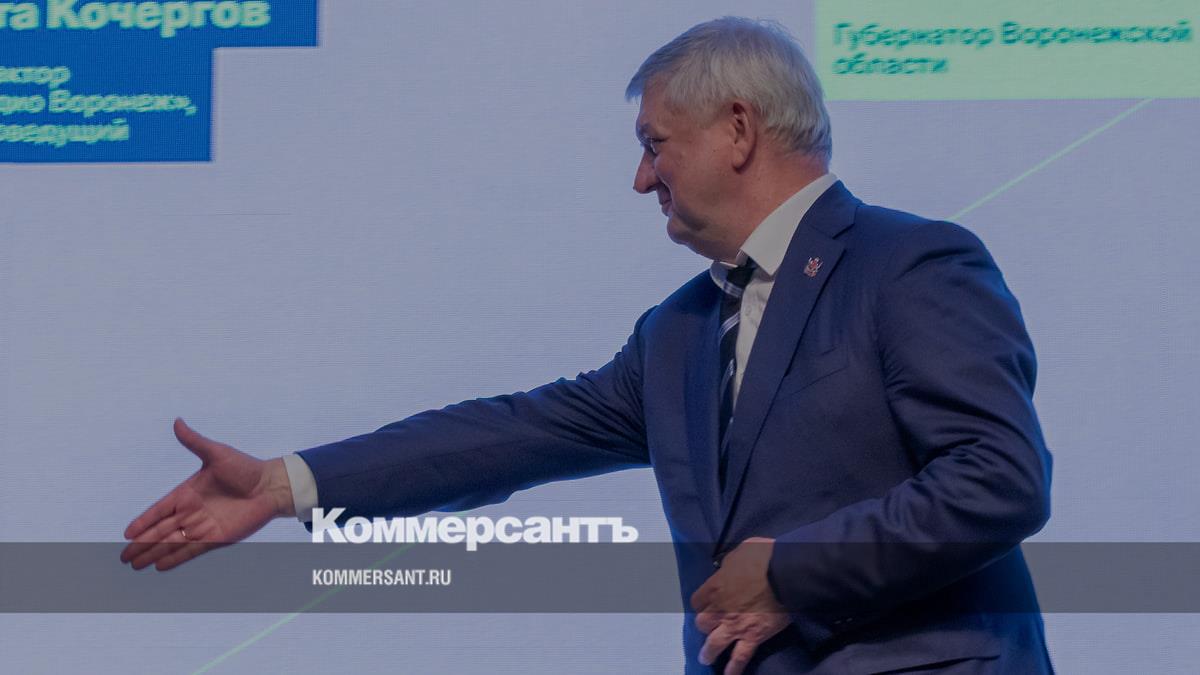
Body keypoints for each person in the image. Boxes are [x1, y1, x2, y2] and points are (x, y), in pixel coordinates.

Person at [121, 17, 1054, 674]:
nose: (641, 177)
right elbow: (512, 435)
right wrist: (283, 485)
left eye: (656, 143)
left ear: (738, 129)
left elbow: (999, 478)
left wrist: (791, 572)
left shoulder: (909, 263)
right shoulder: (678, 332)